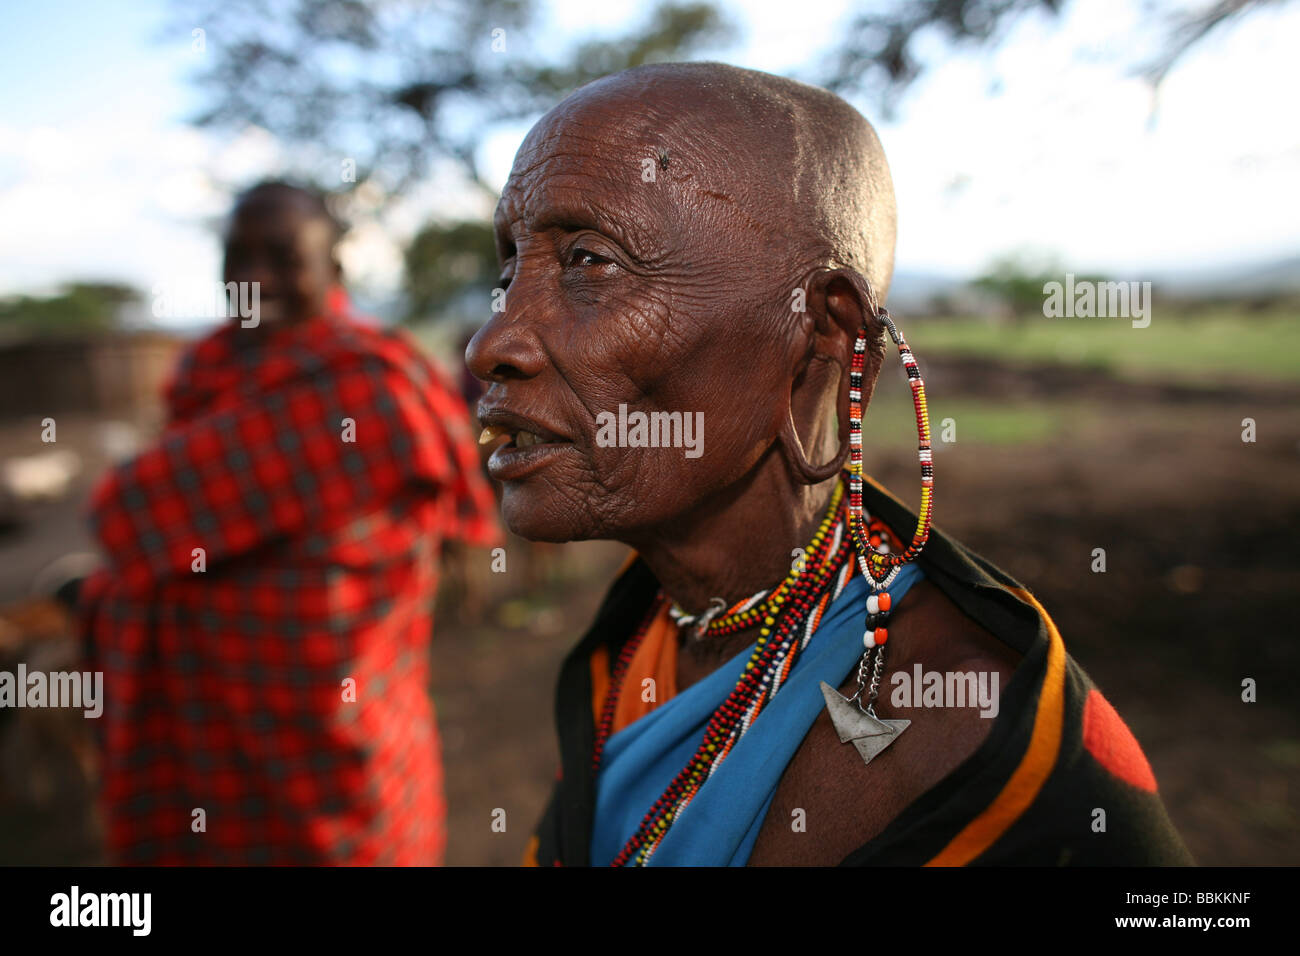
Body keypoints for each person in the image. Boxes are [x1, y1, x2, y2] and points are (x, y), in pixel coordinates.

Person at [466, 63, 1192, 866]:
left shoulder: (982, 741)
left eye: (590, 262)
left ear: (823, 345)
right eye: (508, 272)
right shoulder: (641, 628)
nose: (491, 342)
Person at [80, 181, 499, 864]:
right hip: (210, 742)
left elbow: (130, 515)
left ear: (333, 271)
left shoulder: (367, 386)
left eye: (282, 257)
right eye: (236, 256)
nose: (254, 279)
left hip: (330, 739)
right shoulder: (209, 365)